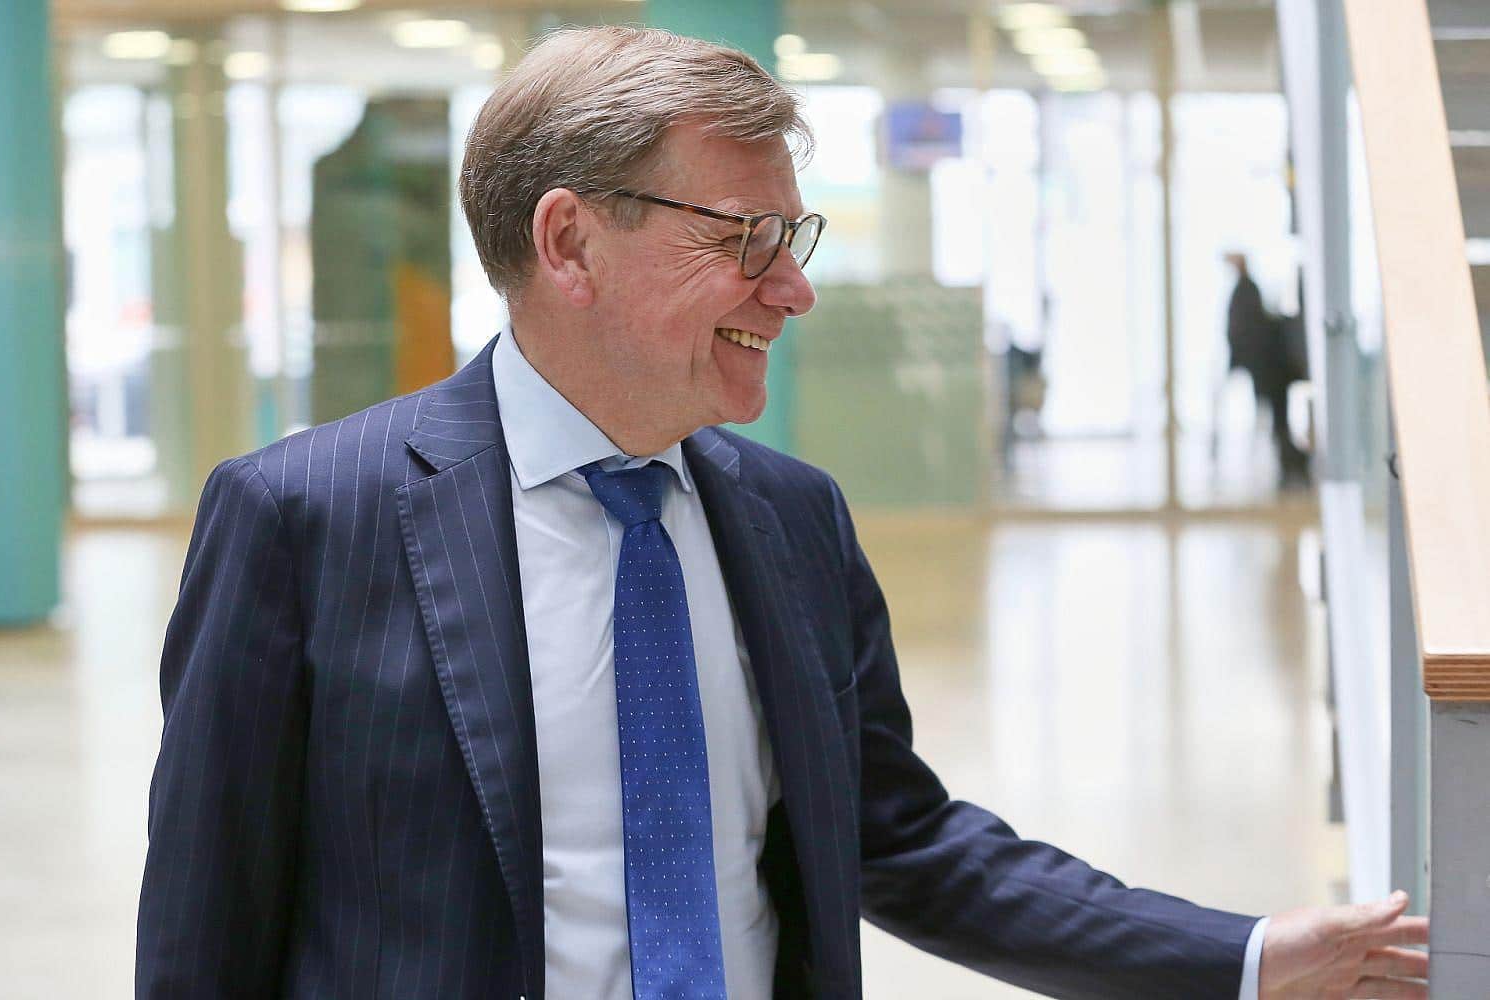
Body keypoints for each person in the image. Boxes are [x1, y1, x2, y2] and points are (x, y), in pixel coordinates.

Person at [136, 27, 1426, 999]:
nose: (793, 290)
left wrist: (1245, 956)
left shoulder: (791, 519)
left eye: (792, 237)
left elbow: (904, 842)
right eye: (744, 236)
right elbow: (205, 934)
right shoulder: (306, 521)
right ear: (570, 243)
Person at [1224, 253, 1310, 489]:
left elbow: (1244, 332)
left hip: (1269, 371)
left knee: (1279, 422)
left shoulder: (1247, 290)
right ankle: (1291, 467)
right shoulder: (1246, 290)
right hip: (1267, 370)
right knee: (1278, 422)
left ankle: (1294, 467)